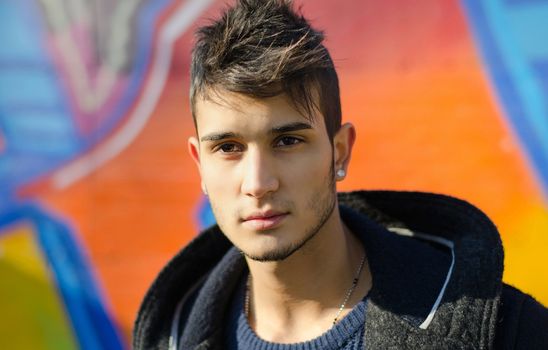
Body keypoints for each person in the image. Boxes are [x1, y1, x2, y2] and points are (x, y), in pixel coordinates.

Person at [133, 0, 548, 349]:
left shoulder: (505, 332)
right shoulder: (168, 336)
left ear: (339, 151)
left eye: (288, 142)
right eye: (228, 148)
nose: (258, 183)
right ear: (199, 164)